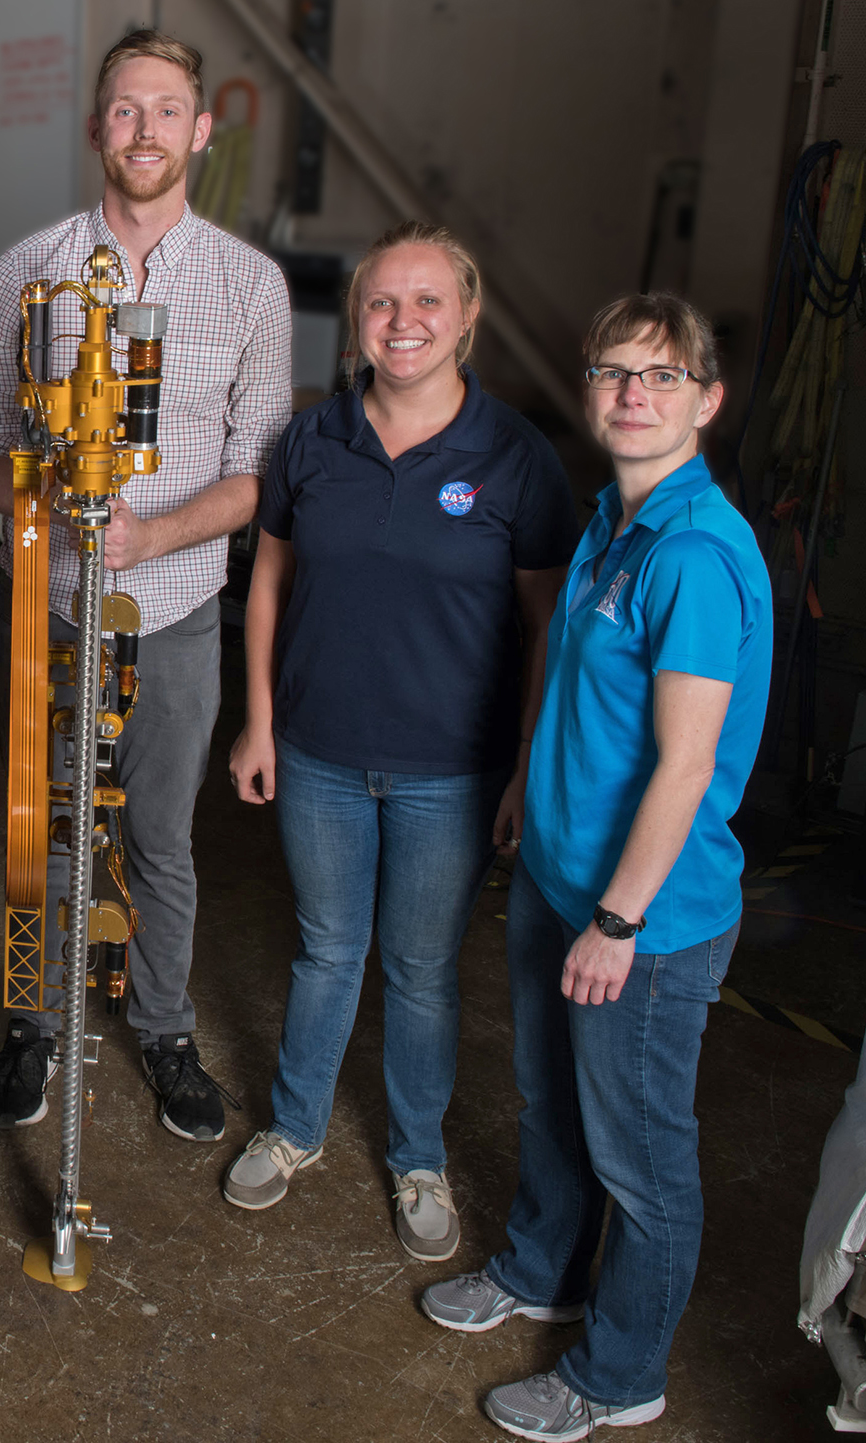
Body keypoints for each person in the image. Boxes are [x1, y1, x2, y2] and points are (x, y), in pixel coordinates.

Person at [421, 293, 771, 1442]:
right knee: (553, 1107)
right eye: (614, 372)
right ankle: (540, 1272)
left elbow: (681, 768)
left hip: (642, 921)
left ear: (705, 401)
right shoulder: (610, 521)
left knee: (642, 1159)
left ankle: (619, 1377)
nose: (631, 394)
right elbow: (580, 693)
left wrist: (615, 925)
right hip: (559, 877)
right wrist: (530, 781)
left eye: (659, 377)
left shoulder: (697, 554)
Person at [221, 222, 574, 1260]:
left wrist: (519, 765)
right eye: (382, 303)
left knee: (420, 971)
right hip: (320, 755)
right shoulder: (311, 442)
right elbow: (268, 585)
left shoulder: (515, 458)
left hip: (450, 776)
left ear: (464, 319)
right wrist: (258, 720)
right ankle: (292, 1131)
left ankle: (416, 1156)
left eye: (427, 302)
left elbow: (544, 623)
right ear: (355, 324)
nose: (402, 322)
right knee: (326, 950)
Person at [0, 29, 291, 1140]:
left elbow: (254, 475)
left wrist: (152, 540)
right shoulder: (28, 270)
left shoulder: (250, 285)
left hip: (181, 609)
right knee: (42, 829)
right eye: (122, 109)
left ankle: (157, 1023)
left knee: (158, 836)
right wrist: (50, 504)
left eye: (165, 111)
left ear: (199, 132)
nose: (142, 131)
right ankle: (33, 1026)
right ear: (95, 126)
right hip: (50, 612)